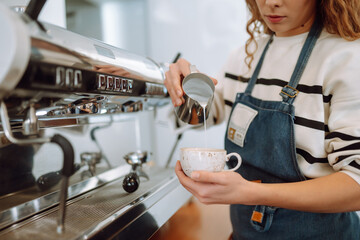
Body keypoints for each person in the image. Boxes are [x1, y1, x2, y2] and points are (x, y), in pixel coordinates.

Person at [164, 0, 360, 239]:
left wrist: (250, 192)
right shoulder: (247, 54)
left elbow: (356, 186)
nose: (271, 3)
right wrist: (186, 84)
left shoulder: (347, 58)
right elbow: (203, 114)